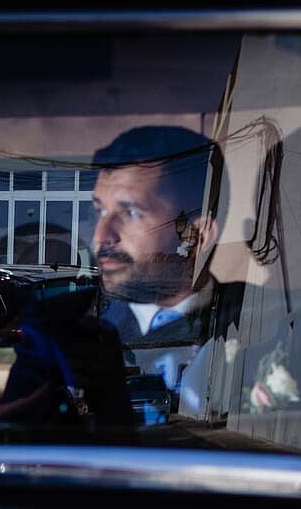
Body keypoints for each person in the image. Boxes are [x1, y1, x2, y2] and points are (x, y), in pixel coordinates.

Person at [88, 126, 247, 415]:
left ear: (196, 235)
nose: (101, 237)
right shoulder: (88, 322)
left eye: (131, 212)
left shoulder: (252, 317)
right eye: (100, 211)